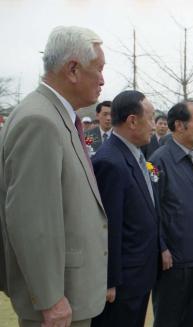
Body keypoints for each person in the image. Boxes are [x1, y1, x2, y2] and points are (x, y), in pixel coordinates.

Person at [0, 26, 108, 327]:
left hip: (70, 294)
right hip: (59, 304)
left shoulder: (57, 117)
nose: (102, 80)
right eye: (98, 69)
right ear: (72, 69)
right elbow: (31, 218)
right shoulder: (40, 120)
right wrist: (50, 299)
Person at [90, 91, 160, 327]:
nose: (153, 125)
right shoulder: (110, 161)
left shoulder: (134, 155)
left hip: (138, 276)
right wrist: (109, 280)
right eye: (150, 118)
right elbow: (107, 226)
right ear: (132, 120)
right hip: (122, 283)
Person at [149, 101, 193, 327]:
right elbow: (153, 208)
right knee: (169, 319)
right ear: (179, 125)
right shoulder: (158, 161)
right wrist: (162, 246)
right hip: (175, 261)